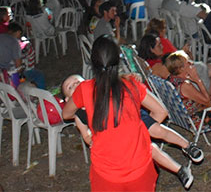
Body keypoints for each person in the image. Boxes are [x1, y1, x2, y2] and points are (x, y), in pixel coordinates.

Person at [61, 74, 201, 189]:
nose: (76, 85)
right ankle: (179, 170)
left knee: (157, 130)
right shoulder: (79, 115)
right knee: (150, 148)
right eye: (71, 87)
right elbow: (86, 134)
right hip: (119, 138)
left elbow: (121, 85)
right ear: (68, 99)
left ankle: (187, 145)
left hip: (131, 116)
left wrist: (134, 77)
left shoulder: (100, 94)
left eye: (77, 82)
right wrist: (91, 141)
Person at [62, 36, 165, 191]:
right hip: (139, 166)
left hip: (106, 173)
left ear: (93, 64)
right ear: (118, 60)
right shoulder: (130, 84)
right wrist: (139, 132)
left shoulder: (85, 90)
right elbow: (161, 111)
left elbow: (66, 114)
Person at [165, 51, 211, 145]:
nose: (192, 63)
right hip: (198, 119)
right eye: (188, 62)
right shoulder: (185, 86)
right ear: (181, 68)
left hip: (181, 117)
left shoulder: (171, 79)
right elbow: (207, 101)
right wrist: (197, 80)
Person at [0, 22, 45, 89]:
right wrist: (24, 66)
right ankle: (39, 95)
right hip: (10, 75)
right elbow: (18, 67)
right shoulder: (14, 42)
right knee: (39, 75)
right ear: (18, 32)